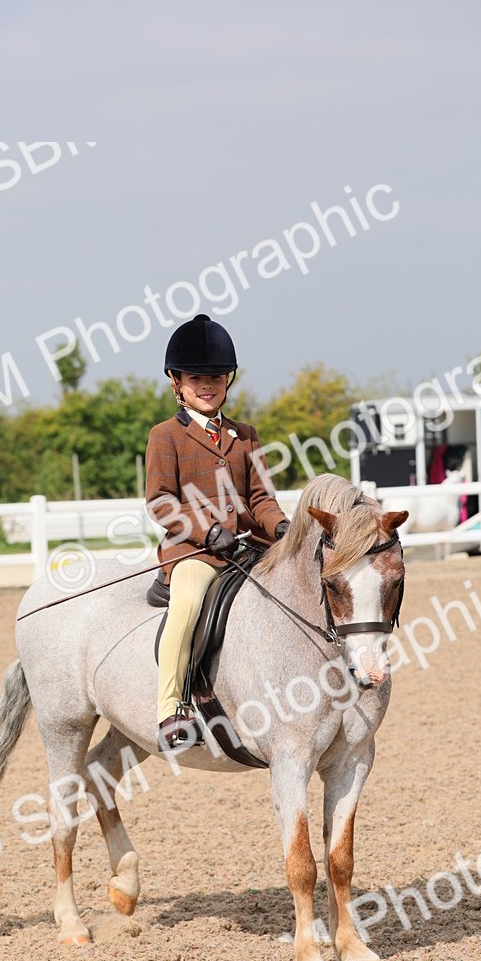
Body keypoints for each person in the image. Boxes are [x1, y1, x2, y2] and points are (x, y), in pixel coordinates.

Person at [145, 314, 289, 748]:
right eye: (196, 377)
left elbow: (261, 497)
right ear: (177, 382)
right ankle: (171, 710)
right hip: (194, 553)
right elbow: (160, 500)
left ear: (228, 380)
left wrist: (280, 526)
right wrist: (207, 533)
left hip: (248, 548)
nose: (207, 385)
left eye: (215, 377)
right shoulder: (165, 436)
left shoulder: (245, 435)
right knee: (189, 603)